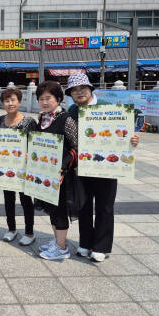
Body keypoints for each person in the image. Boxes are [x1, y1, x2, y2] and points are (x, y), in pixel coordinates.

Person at [66, 72, 140, 262]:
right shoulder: (72, 111)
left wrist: (132, 139)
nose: (79, 92)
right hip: (81, 166)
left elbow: (124, 132)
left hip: (107, 166)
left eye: (82, 88)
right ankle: (85, 243)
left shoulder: (108, 108)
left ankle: (101, 246)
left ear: (90, 89)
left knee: (104, 206)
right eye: (74, 90)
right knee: (83, 205)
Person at [35, 81, 78, 260]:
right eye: (41, 99)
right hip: (45, 173)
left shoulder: (66, 119)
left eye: (49, 98)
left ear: (58, 99)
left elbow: (77, 147)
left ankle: (61, 249)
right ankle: (57, 241)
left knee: (59, 210)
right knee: (52, 209)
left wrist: (62, 168)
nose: (45, 102)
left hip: (61, 175)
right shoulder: (43, 119)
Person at [0, 88, 37, 245]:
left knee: (26, 199)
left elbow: (35, 144)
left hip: (23, 168)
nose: (10, 103)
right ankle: (11, 229)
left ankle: (29, 232)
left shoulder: (29, 122)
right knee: (8, 199)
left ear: (19, 102)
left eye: (13, 100)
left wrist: (30, 154)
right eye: (6, 100)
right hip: (6, 168)